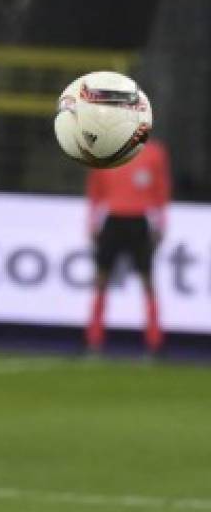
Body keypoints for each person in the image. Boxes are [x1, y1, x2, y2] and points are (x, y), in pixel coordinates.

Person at [85, 138, 171, 355]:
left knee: (147, 281)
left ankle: (154, 342)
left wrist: (161, 223)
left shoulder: (154, 152)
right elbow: (95, 190)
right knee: (102, 280)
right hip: (113, 219)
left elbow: (161, 189)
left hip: (139, 220)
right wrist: (92, 222)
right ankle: (94, 341)